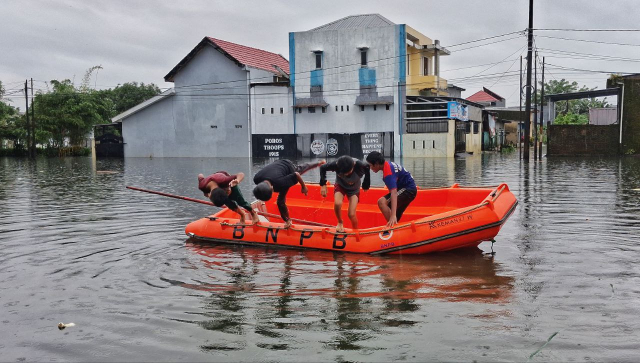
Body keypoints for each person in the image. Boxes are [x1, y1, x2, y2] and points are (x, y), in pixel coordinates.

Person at [253, 159, 325, 228]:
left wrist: (303, 187)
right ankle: (287, 220)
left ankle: (288, 221)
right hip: (277, 165)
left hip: (288, 168)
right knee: (280, 201)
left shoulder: (281, 182)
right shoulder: (257, 178)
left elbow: (296, 175)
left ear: (272, 188)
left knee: (280, 202)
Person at [365, 151, 417, 228]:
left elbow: (394, 193)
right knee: (390, 207)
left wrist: (392, 215)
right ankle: (396, 224)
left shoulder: (388, 173)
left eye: (370, 165)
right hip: (405, 188)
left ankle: (394, 227)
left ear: (376, 164)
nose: (370, 168)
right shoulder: (387, 165)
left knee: (382, 202)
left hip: (408, 189)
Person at [319, 155, 370, 232]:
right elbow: (322, 167)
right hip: (341, 185)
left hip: (354, 189)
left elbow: (368, 167)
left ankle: (355, 231)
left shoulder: (360, 165)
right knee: (337, 203)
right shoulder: (335, 164)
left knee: (351, 214)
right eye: (344, 173)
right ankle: (340, 222)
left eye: (348, 172)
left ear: (353, 165)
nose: (346, 175)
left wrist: (366, 183)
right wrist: (323, 185)